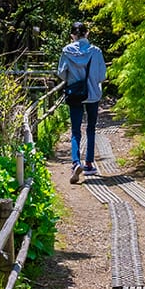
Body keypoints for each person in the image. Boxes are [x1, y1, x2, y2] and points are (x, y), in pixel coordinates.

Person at [57, 21, 106, 184]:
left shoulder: (66, 51)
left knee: (75, 131)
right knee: (91, 128)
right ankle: (89, 163)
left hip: (75, 94)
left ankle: (75, 163)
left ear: (72, 35)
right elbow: (101, 76)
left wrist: (74, 79)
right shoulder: (96, 51)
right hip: (92, 94)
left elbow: (61, 73)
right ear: (87, 34)